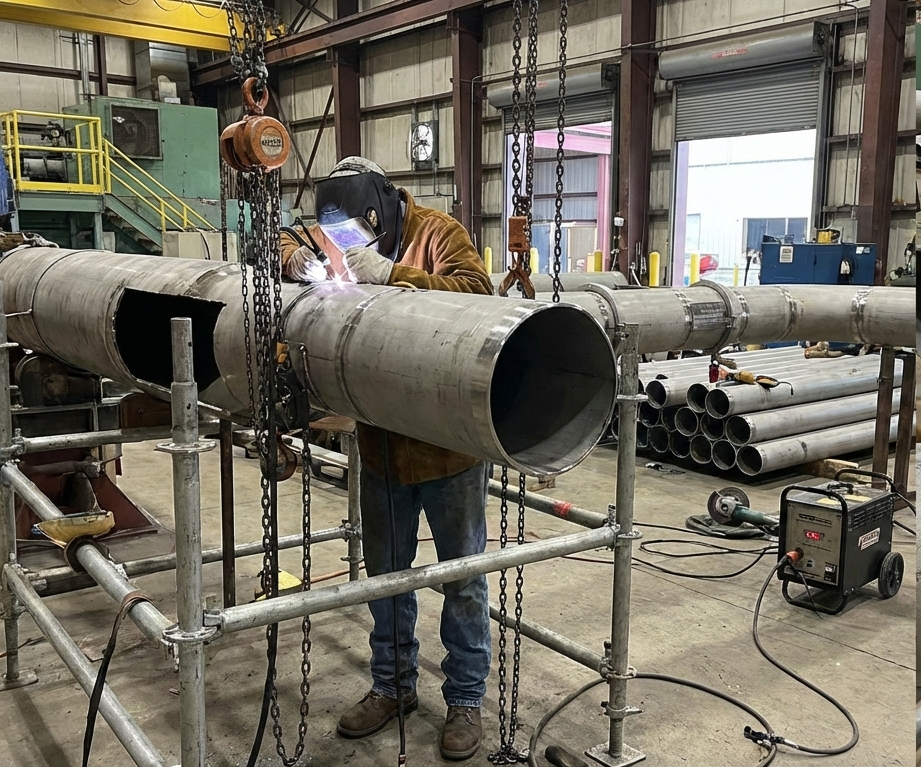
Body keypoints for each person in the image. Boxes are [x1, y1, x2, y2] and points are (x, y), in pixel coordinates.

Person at [279, 156, 494, 761]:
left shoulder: (438, 233)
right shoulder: (341, 230)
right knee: (387, 580)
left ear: (382, 214)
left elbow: (480, 295)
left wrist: (394, 274)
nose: (345, 250)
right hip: (380, 444)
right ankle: (393, 687)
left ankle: (465, 700)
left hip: (446, 450)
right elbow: (282, 243)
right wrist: (294, 259)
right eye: (337, 238)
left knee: (462, 579)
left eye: (353, 238)